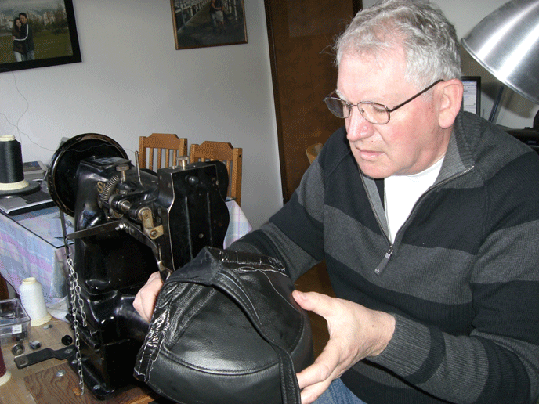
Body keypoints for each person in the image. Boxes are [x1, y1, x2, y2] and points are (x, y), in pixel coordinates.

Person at [134, 1, 539, 403]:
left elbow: (520, 377)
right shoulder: (341, 158)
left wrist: (383, 338)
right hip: (345, 383)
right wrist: (199, 284)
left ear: (446, 102)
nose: (354, 131)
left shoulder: (515, 189)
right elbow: (278, 245)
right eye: (346, 105)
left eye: (378, 108)